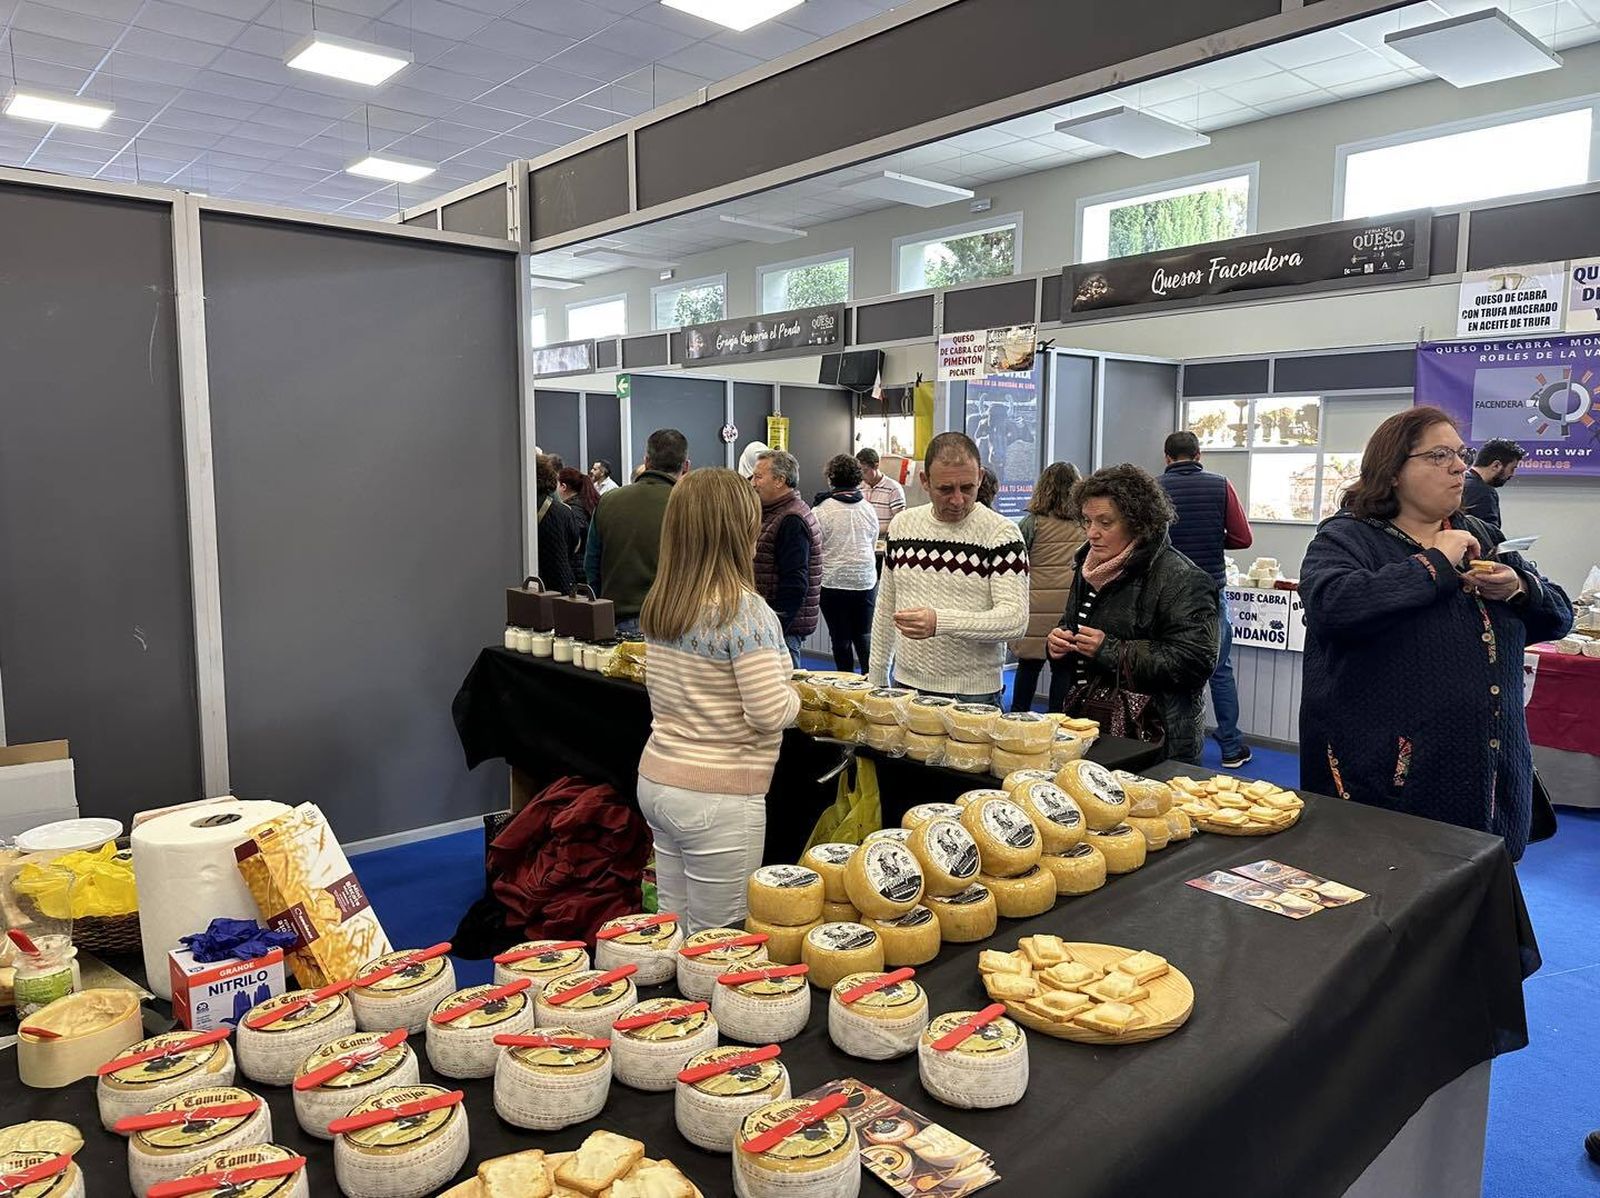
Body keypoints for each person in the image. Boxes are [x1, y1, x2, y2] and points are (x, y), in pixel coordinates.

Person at [1298, 407, 1571, 862]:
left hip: (1491, 775)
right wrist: (1434, 565)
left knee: (1483, 904)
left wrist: (1520, 588)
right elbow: (1332, 606)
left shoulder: (1480, 533)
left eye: (1460, 454)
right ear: (1393, 472)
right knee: (1401, 902)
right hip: (1395, 782)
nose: (1460, 466)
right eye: (1439, 455)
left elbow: (1558, 616)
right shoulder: (1347, 539)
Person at [636, 468, 800, 930]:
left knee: (673, 922)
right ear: (740, 530)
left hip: (658, 777)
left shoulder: (664, 601)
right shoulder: (746, 612)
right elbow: (768, 712)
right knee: (720, 940)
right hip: (719, 793)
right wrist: (796, 696)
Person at [1045, 464, 1219, 763]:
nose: (1092, 533)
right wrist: (1059, 644)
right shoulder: (1089, 567)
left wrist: (1109, 649)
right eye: (1086, 521)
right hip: (1090, 728)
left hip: (1155, 738)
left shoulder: (1183, 578)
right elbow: (1076, 625)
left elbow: (1195, 662)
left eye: (1105, 522)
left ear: (1138, 523)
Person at [868, 432, 1028, 705]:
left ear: (979, 476)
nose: (957, 500)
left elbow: (1014, 620)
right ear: (925, 482)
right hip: (905, 685)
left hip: (973, 694)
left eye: (967, 488)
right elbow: (886, 608)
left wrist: (940, 622)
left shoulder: (1002, 534)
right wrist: (877, 677)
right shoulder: (902, 526)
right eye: (945, 489)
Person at [1157, 431, 1254, 767]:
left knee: (1165, 667)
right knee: (1219, 669)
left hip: (1164, 592)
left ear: (1167, 458)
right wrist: (1212, 539)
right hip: (1210, 591)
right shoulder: (1221, 485)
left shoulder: (1153, 488)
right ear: (1199, 455)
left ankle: (1165, 743)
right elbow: (1243, 538)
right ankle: (1231, 747)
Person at [586, 429, 690, 637]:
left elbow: (591, 565)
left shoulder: (608, 501)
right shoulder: (691, 505)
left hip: (616, 620)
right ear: (686, 465)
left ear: (647, 461)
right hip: (672, 623)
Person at [1010, 462, 1083, 712]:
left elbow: (1015, 562)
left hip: (1035, 604)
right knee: (1063, 670)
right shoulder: (1085, 524)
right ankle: (1056, 723)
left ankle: (1017, 718)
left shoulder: (1031, 523)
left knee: (1028, 666)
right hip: (1070, 606)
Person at [750, 449, 822, 667]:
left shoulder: (791, 519)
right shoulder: (775, 513)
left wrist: (775, 629)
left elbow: (795, 584)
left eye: (758, 477)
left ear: (780, 480)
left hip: (781, 633)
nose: (753, 483)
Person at [813, 454, 880, 673]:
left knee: (840, 640)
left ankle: (845, 686)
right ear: (857, 478)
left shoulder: (821, 510)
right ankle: (874, 684)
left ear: (831, 478)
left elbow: (816, 549)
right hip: (865, 581)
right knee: (864, 636)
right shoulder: (868, 509)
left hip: (834, 583)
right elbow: (872, 543)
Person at [534, 455, 581, 595]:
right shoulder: (564, 511)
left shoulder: (517, 509)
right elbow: (574, 545)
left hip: (530, 584)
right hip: (561, 585)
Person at [1461, 438, 1525, 530]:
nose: (1512, 474)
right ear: (1496, 465)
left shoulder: (1458, 484)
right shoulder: (1485, 493)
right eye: (1512, 468)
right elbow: (1490, 537)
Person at [558, 467, 600, 585]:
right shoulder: (587, 504)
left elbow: (576, 539)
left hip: (577, 571)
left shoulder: (572, 510)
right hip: (587, 568)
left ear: (563, 487)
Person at [857, 447, 905, 535]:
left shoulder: (893, 488)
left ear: (876, 466)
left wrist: (872, 531)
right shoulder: (859, 488)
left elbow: (899, 521)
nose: (862, 476)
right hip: (863, 540)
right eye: (859, 471)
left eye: (865, 471)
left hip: (884, 539)